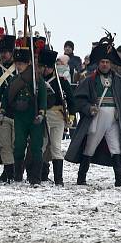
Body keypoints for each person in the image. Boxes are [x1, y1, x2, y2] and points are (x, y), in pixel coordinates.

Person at [65, 33, 121, 187]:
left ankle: (119, 180)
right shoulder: (89, 80)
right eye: (102, 61)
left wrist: (120, 113)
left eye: (107, 61)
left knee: (116, 147)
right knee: (89, 147)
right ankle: (81, 178)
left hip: (113, 118)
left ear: (111, 63)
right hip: (97, 117)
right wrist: (89, 108)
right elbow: (79, 99)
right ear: (98, 63)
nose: (104, 64)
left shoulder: (119, 81)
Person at [0, 40, 47, 186]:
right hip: (19, 117)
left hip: (34, 118)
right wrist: (2, 110)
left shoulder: (37, 80)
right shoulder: (14, 79)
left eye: (21, 64)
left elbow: (43, 97)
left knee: (36, 148)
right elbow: (7, 97)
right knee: (19, 146)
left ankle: (35, 178)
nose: (18, 66)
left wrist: (41, 113)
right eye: (17, 63)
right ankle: (18, 176)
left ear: (28, 64)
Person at [39, 48, 75, 186]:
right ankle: (40, 175)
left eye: (46, 67)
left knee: (56, 147)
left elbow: (71, 100)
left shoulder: (61, 81)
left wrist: (71, 115)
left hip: (57, 116)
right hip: (43, 115)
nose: (44, 70)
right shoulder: (38, 81)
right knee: (42, 146)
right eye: (43, 67)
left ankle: (59, 180)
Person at [0, 28, 17, 183]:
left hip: (18, 112)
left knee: (16, 145)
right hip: (3, 112)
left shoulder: (19, 71)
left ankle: (15, 172)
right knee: (4, 145)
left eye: (7, 51)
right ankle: (8, 173)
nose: (4, 54)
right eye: (1, 51)